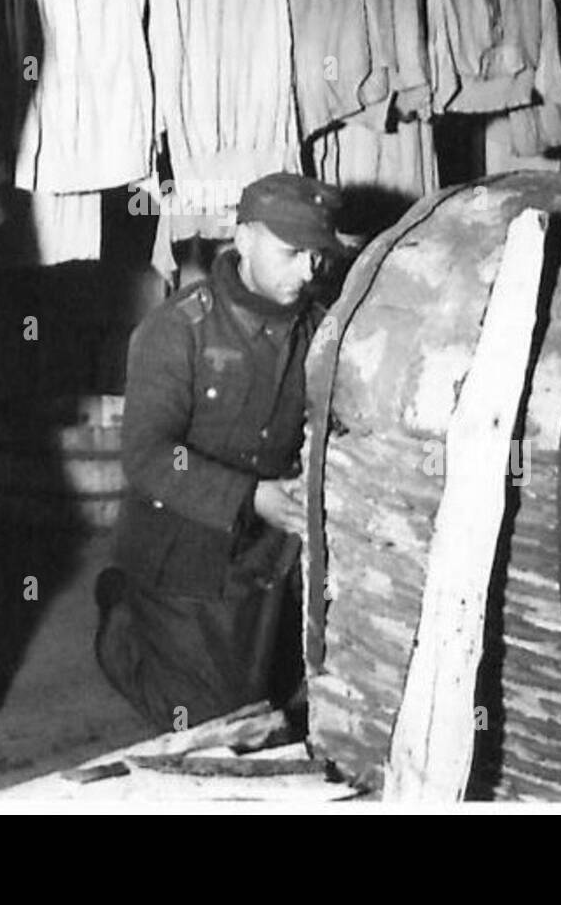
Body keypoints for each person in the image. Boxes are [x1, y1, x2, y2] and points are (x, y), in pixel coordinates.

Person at [95, 172, 344, 732]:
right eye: (292, 253)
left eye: (318, 256)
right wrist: (250, 497)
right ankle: (121, 620)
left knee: (287, 699)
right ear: (245, 239)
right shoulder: (179, 329)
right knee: (216, 723)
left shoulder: (320, 329)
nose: (308, 272)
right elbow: (148, 455)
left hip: (269, 542)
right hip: (182, 541)